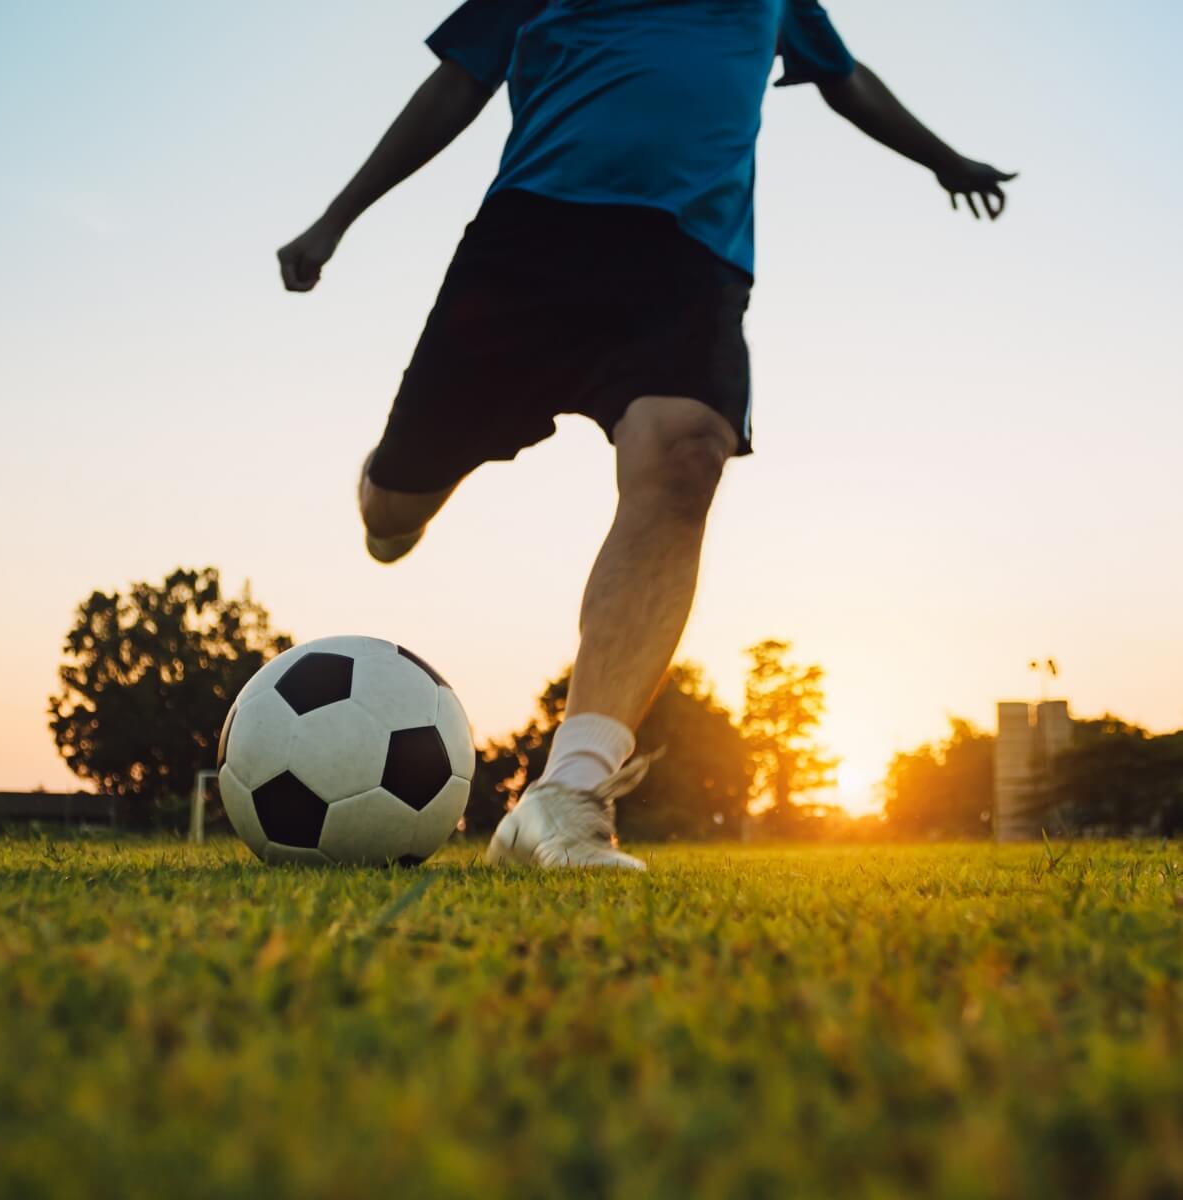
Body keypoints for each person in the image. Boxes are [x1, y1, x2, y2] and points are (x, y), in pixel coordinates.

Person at [277, 0, 1016, 870]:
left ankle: (568, 793)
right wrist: (335, 218)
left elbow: (843, 78)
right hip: (529, 243)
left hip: (687, 254)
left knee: (687, 454)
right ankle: (391, 491)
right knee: (393, 511)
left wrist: (943, 160)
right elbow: (455, 84)